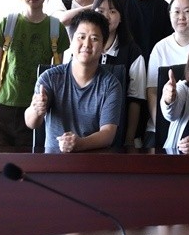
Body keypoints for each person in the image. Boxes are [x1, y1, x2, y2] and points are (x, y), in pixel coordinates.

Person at [0, 0, 70, 148]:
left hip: (35, 111)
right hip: (3, 109)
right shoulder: (8, 24)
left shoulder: (56, 29)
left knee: (30, 163)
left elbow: (58, 78)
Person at [24, 10, 121, 152]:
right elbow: (31, 122)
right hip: (54, 162)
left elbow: (108, 134)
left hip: (93, 162)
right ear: (71, 40)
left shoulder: (111, 85)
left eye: (94, 39)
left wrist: (79, 144)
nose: (87, 44)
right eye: (81, 37)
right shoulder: (50, 78)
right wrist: (36, 109)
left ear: (103, 45)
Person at [144, 0, 189, 148]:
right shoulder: (160, 48)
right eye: (176, 12)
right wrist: (161, 124)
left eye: (187, 11)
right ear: (169, 15)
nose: (181, 17)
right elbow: (152, 91)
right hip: (159, 126)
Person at [92, 0, 147, 147]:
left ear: (121, 16)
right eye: (100, 11)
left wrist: (129, 139)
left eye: (112, 11)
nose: (106, 16)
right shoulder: (84, 48)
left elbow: (135, 100)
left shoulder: (133, 52)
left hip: (119, 131)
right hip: (87, 131)